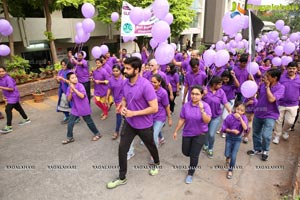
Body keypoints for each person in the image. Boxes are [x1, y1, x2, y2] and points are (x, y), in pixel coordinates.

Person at [106, 57, 160, 189]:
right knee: (122, 149)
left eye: (128, 68)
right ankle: (122, 177)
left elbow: (154, 108)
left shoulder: (146, 85)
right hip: (129, 123)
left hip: (145, 125)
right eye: (125, 67)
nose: (125, 70)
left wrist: (133, 113)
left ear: (137, 70)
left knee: (151, 146)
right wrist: (122, 106)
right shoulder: (125, 83)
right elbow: (125, 98)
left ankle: (157, 163)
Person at [173, 85, 211, 184]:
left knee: (194, 155)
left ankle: (190, 173)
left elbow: (207, 121)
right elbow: (182, 119)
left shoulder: (206, 106)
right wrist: (176, 130)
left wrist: (202, 110)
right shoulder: (186, 105)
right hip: (187, 133)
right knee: (185, 152)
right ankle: (193, 154)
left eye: (197, 94)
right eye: (193, 94)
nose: (194, 96)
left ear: (202, 95)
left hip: (200, 134)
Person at [247, 69, 285, 161]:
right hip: (259, 111)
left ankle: (265, 150)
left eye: (268, 76)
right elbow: (257, 92)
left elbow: (271, 99)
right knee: (256, 132)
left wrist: (267, 87)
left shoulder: (281, 88)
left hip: (271, 114)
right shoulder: (263, 84)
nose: (266, 77)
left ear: (275, 78)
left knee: (266, 135)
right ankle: (257, 149)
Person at [62, 72, 102, 144]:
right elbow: (68, 99)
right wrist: (71, 92)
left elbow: (82, 96)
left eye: (75, 77)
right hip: (75, 108)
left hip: (83, 106)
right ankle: (70, 137)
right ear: (69, 80)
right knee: (70, 123)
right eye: (72, 78)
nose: (75, 79)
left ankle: (97, 134)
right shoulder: (69, 88)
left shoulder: (80, 86)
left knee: (89, 122)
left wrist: (74, 90)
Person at [202, 76, 231, 159]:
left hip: (216, 117)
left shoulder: (221, 92)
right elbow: (198, 100)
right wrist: (203, 94)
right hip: (206, 116)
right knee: (205, 132)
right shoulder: (205, 90)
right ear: (214, 84)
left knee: (211, 134)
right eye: (219, 84)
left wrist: (229, 110)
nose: (221, 86)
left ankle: (210, 148)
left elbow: (225, 102)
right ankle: (206, 144)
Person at [273, 61, 300, 144]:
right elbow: (276, 86)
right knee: (278, 120)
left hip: (293, 104)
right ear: (287, 69)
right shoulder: (281, 77)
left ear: (297, 69)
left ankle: (285, 131)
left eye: (293, 68)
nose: (291, 70)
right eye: (290, 68)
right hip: (280, 103)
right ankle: (277, 136)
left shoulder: (299, 78)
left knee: (290, 122)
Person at [0, 66, 31, 133]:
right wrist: (4, 96)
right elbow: (3, 89)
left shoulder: (8, 78)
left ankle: (9, 127)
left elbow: (11, 89)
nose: (1, 73)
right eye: (0, 72)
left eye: (3, 71)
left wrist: (1, 87)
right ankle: (26, 119)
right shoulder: (1, 79)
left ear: (5, 71)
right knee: (18, 108)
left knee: (8, 109)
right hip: (9, 96)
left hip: (13, 96)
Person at [222, 102, 248, 179]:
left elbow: (246, 128)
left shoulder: (244, 118)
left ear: (244, 112)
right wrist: (231, 131)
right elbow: (224, 128)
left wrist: (240, 119)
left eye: (241, 110)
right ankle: (227, 157)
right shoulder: (230, 117)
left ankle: (230, 170)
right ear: (235, 109)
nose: (239, 111)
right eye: (238, 109)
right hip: (229, 137)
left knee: (234, 155)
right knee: (227, 153)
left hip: (238, 139)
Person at [151, 74, 172, 149]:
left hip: (160, 117)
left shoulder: (163, 92)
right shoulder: (149, 90)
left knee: (153, 136)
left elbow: (167, 106)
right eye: (151, 82)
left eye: (155, 82)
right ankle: (162, 138)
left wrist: (169, 118)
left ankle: (154, 155)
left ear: (159, 82)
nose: (152, 84)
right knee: (155, 130)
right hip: (151, 115)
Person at [106, 65, 125, 140]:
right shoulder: (111, 79)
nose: (115, 72)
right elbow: (109, 89)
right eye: (113, 71)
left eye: (117, 71)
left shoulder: (124, 79)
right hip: (116, 100)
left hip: (124, 99)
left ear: (120, 71)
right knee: (121, 115)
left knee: (119, 115)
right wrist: (107, 97)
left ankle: (116, 132)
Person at [219, 70, 240, 138]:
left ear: (229, 78)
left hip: (229, 101)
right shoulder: (220, 83)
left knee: (225, 116)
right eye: (223, 78)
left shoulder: (232, 84)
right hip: (221, 101)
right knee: (219, 115)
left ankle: (225, 131)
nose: (225, 80)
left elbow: (238, 85)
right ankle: (222, 127)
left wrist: (234, 76)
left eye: (226, 79)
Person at [55, 58, 74, 124]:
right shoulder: (60, 71)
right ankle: (67, 116)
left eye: (64, 65)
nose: (63, 66)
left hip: (69, 90)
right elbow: (58, 82)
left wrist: (62, 79)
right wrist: (57, 79)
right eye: (62, 65)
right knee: (62, 105)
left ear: (68, 65)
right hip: (62, 90)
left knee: (71, 105)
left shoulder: (70, 72)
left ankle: (76, 118)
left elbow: (71, 82)